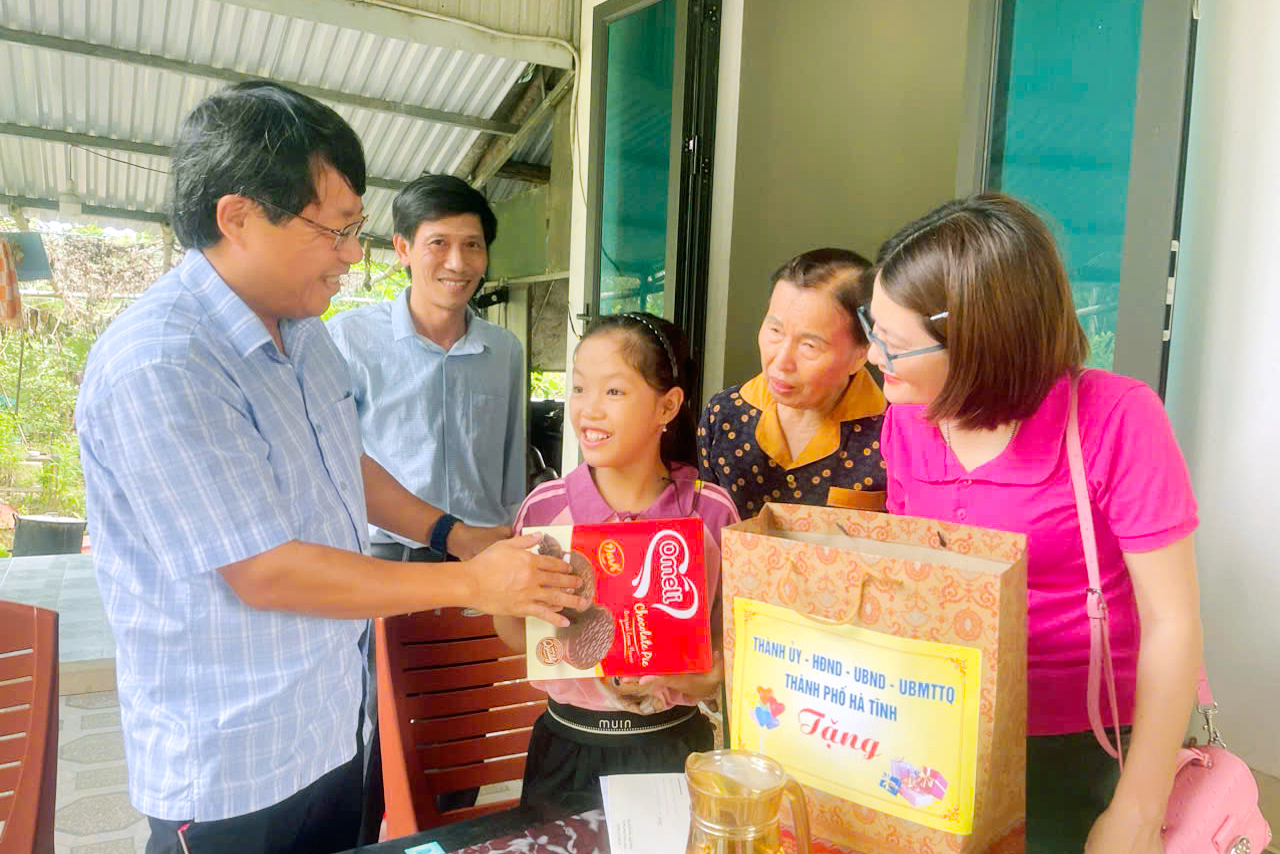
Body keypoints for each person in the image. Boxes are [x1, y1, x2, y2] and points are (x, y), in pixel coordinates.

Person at [74, 81, 585, 854]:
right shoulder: (164, 362)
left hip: (329, 728)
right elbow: (265, 571)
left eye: (356, 230)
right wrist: (471, 585)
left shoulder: (303, 331)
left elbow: (343, 461)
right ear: (238, 218)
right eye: (334, 231)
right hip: (232, 765)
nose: (353, 254)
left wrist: (455, 535)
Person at [863, 194, 1202, 854]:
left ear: (980, 341)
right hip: (945, 726)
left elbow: (1174, 622)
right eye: (871, 327)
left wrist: (1136, 810)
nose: (873, 356)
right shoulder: (907, 417)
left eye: (894, 344)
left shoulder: (1116, 419)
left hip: (1086, 745)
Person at [493, 312, 740, 811]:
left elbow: (728, 656)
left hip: (674, 748)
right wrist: (500, 587)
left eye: (614, 392)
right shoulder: (544, 511)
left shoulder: (712, 512)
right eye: (579, 388)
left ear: (667, 405)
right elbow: (519, 634)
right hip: (567, 747)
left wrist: (677, 676)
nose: (588, 410)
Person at [327, 174, 525, 561]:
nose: (458, 263)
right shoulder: (349, 340)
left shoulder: (504, 350)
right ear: (403, 248)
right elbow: (336, 464)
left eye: (473, 245)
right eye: (439, 243)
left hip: (485, 558)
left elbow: (512, 470)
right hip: (387, 559)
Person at [697, 249, 887, 519]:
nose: (782, 361)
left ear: (860, 354)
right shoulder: (724, 414)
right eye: (775, 331)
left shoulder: (892, 431)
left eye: (809, 345)